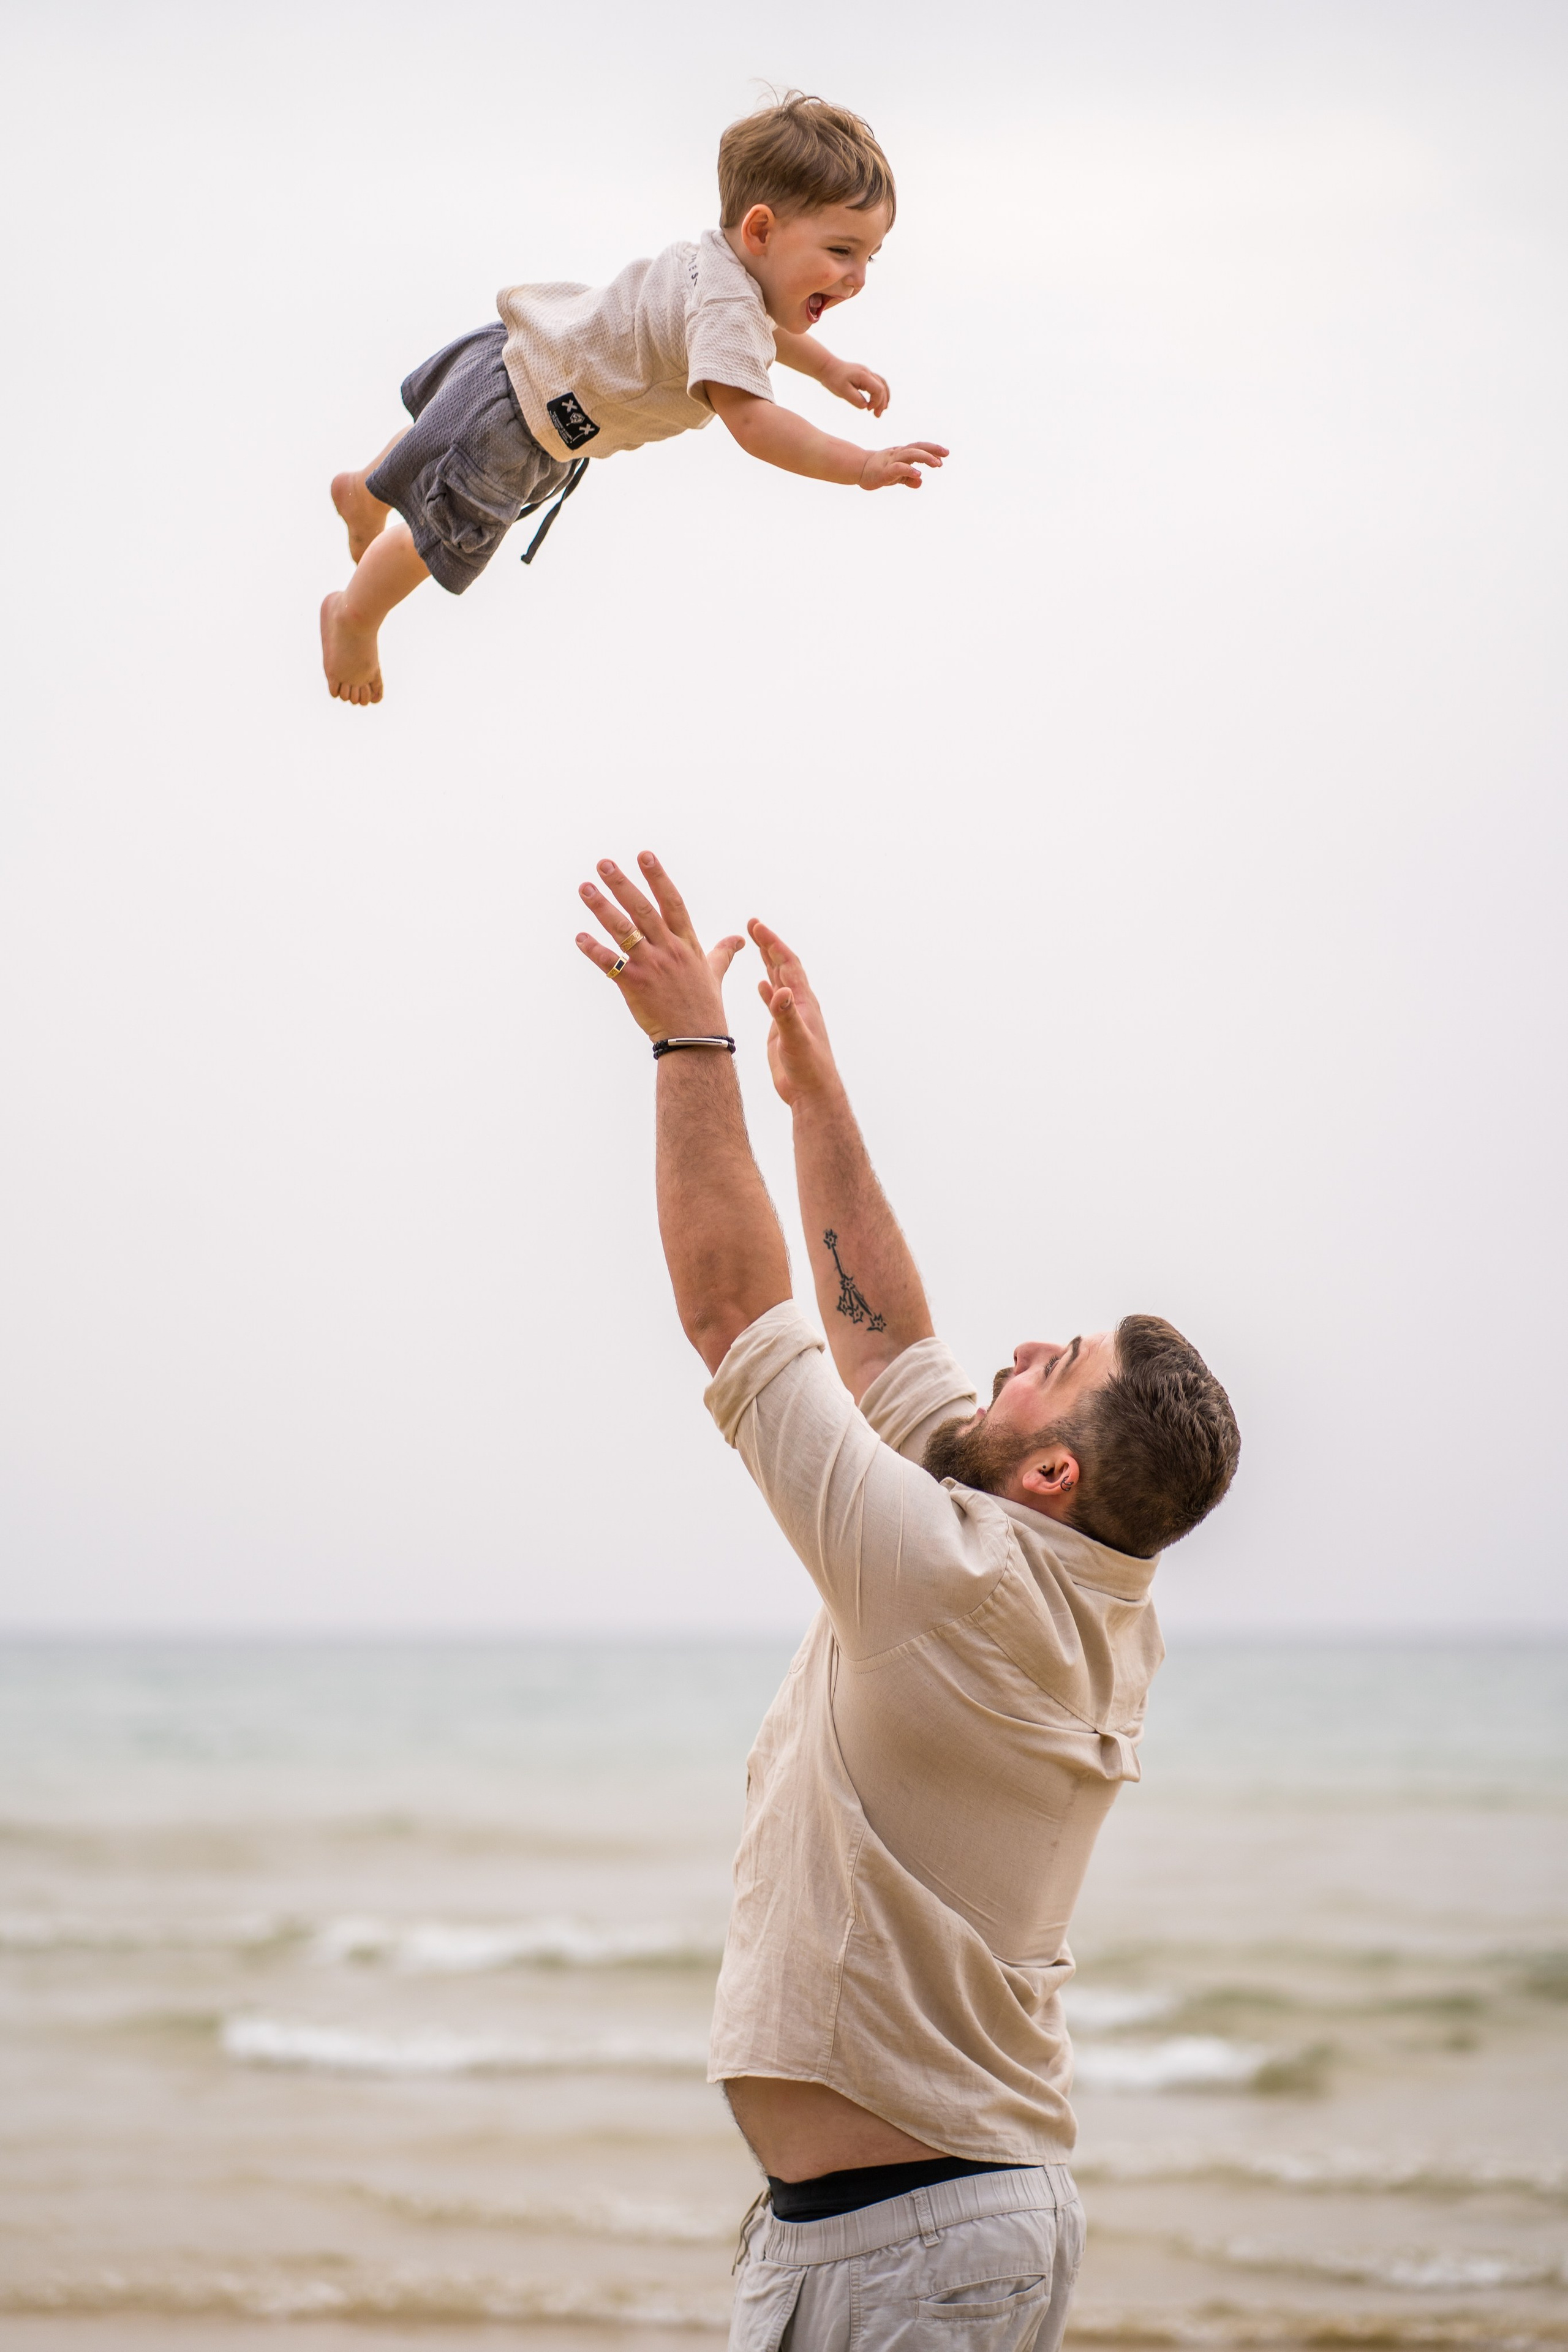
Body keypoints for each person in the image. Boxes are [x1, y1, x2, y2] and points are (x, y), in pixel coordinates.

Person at [574, 852, 1242, 2352]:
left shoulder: (961, 1588)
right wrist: (817, 1102)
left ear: (1055, 1467)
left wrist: (693, 1048)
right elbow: (892, 1355)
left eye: (1047, 1360)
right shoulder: (1067, 1572)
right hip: (915, 2231)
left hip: (911, 2246)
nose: (1011, 1350)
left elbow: (736, 1322)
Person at [322, 93, 947, 706]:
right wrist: (859, 466)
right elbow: (757, 423)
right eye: (841, 251)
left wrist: (828, 367)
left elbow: (760, 329)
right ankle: (354, 615)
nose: (857, 278)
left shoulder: (716, 265)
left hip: (510, 358)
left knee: (438, 438)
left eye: (869, 256)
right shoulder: (730, 312)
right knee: (434, 536)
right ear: (761, 229)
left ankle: (364, 486)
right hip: (521, 428)